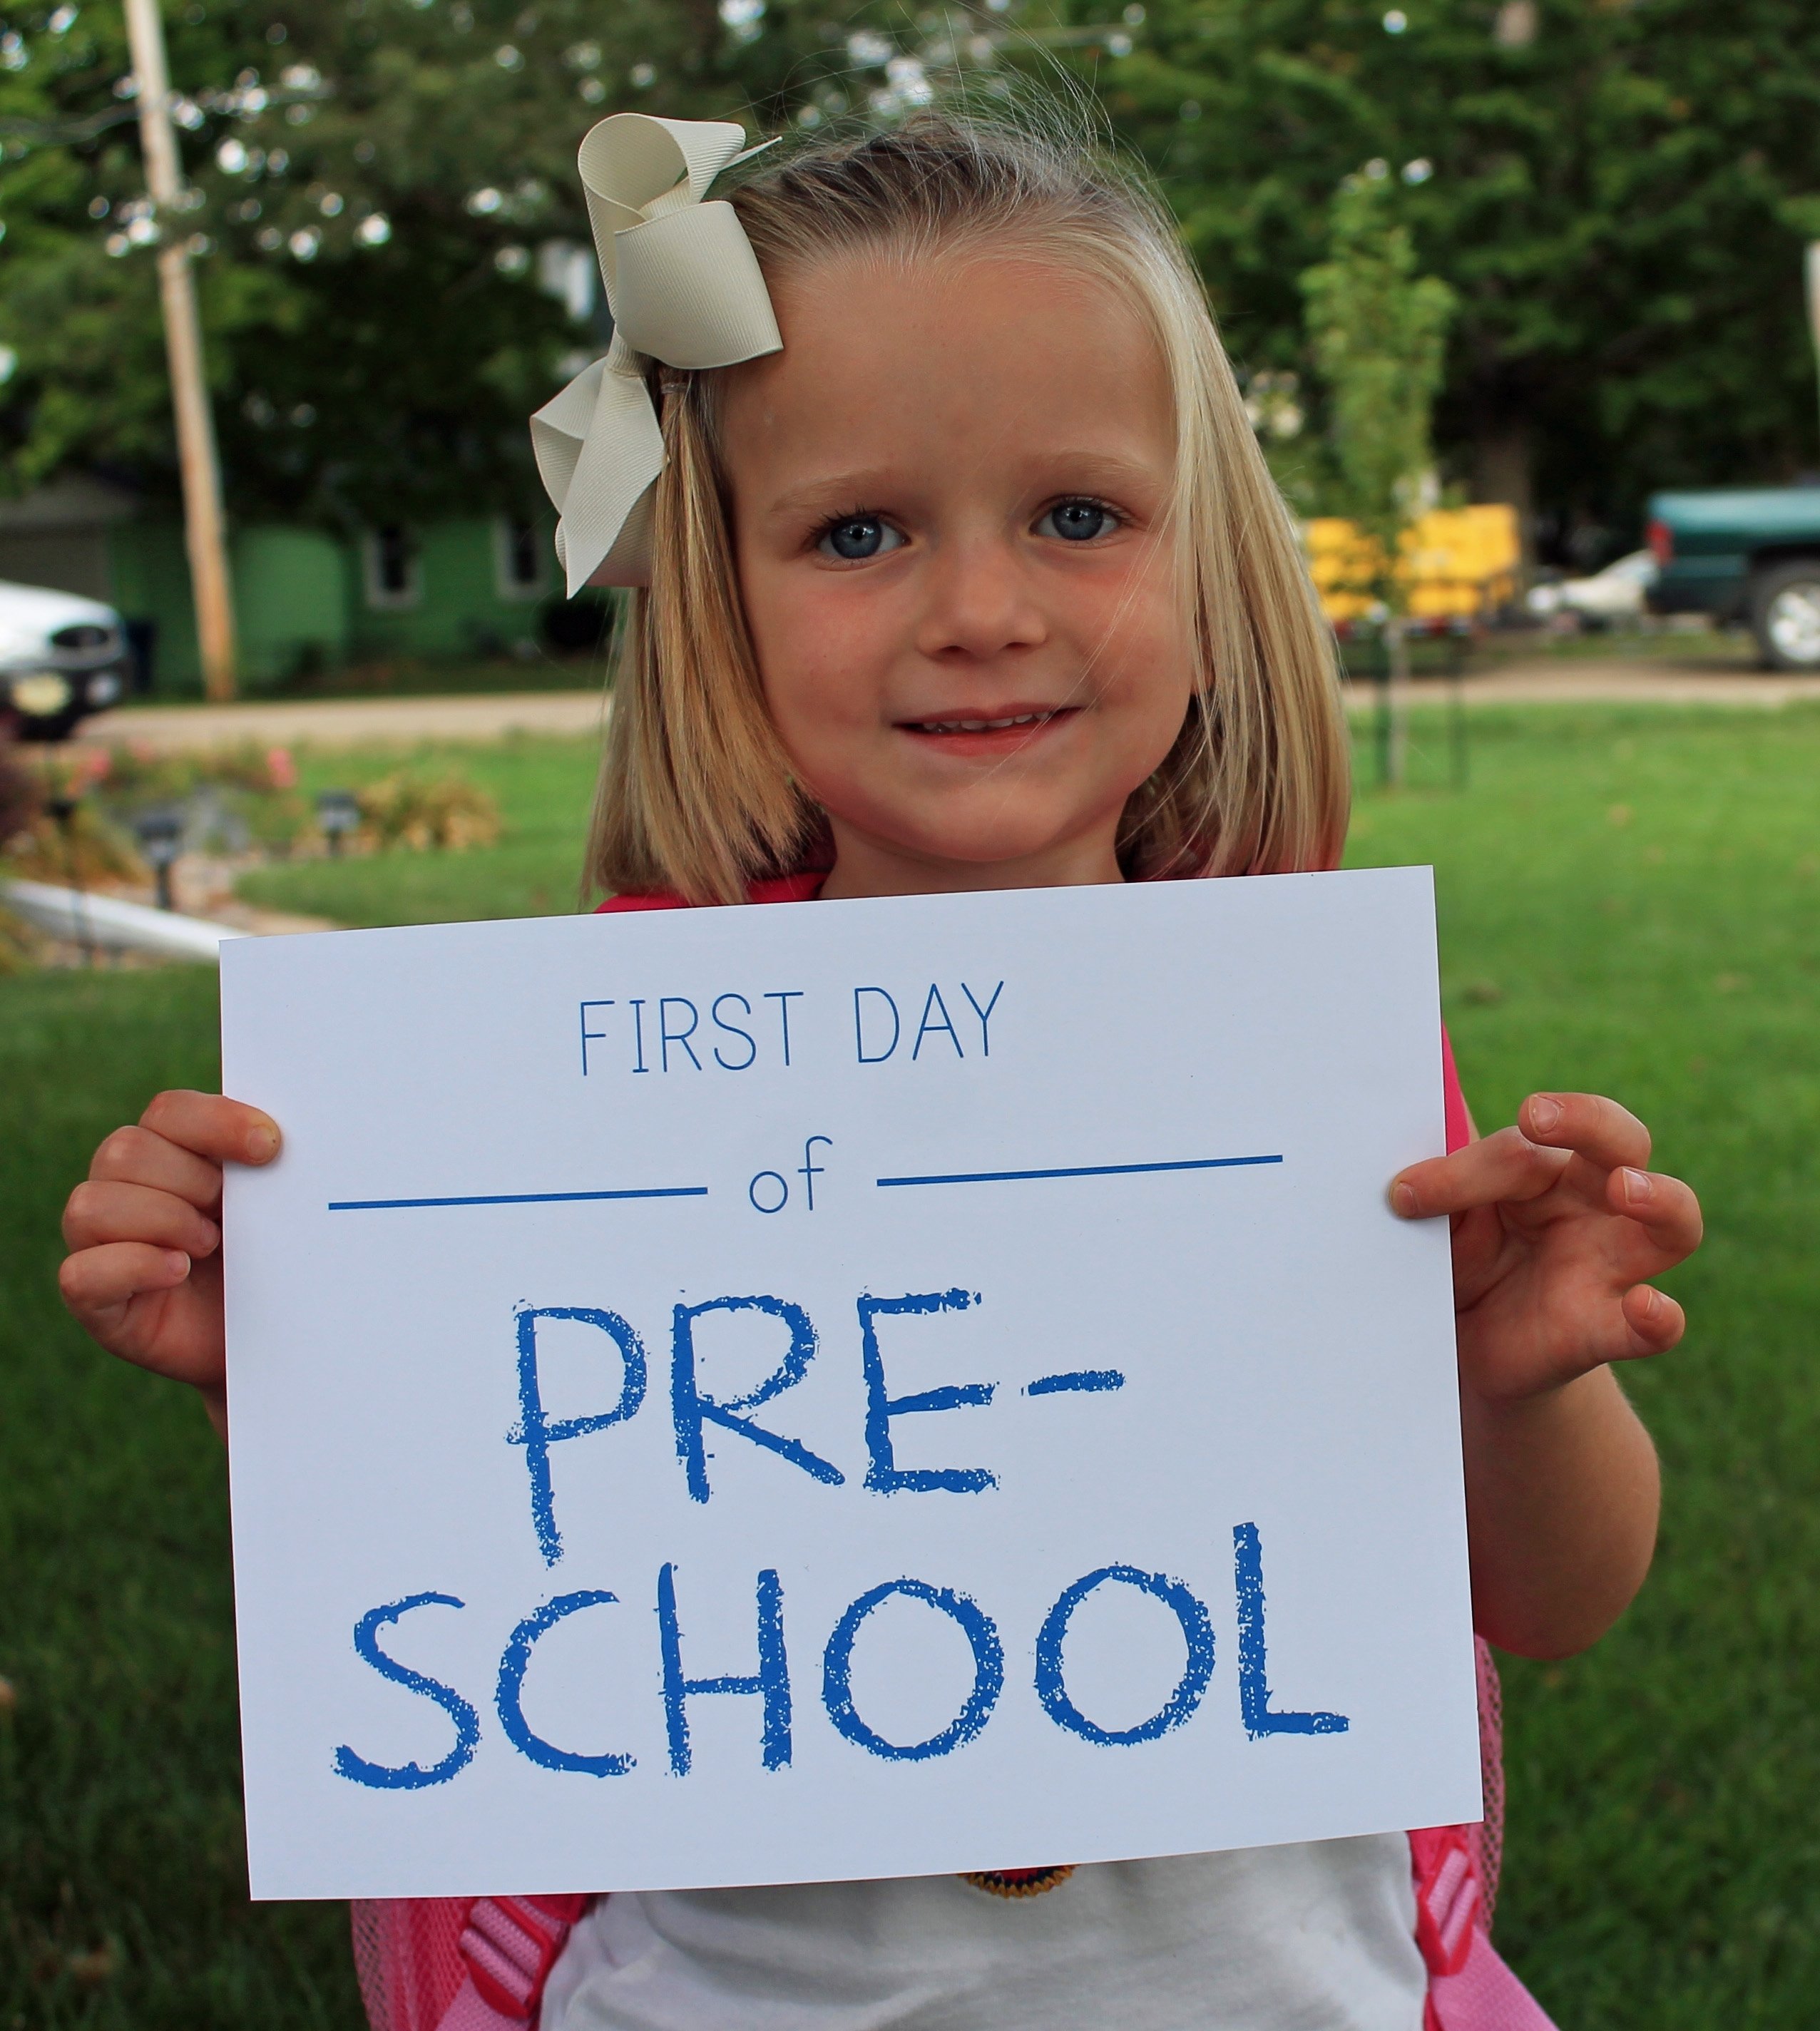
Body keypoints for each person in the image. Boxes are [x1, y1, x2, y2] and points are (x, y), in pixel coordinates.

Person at [58, 106, 1700, 2031]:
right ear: (716, 587)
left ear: (1207, 553)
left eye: (1077, 516)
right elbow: (521, 1547)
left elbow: (1555, 1601)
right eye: (858, 531)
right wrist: (304, 1358)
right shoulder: (583, 1098)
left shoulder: (1301, 1062)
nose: (981, 610)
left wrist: (1520, 1384)